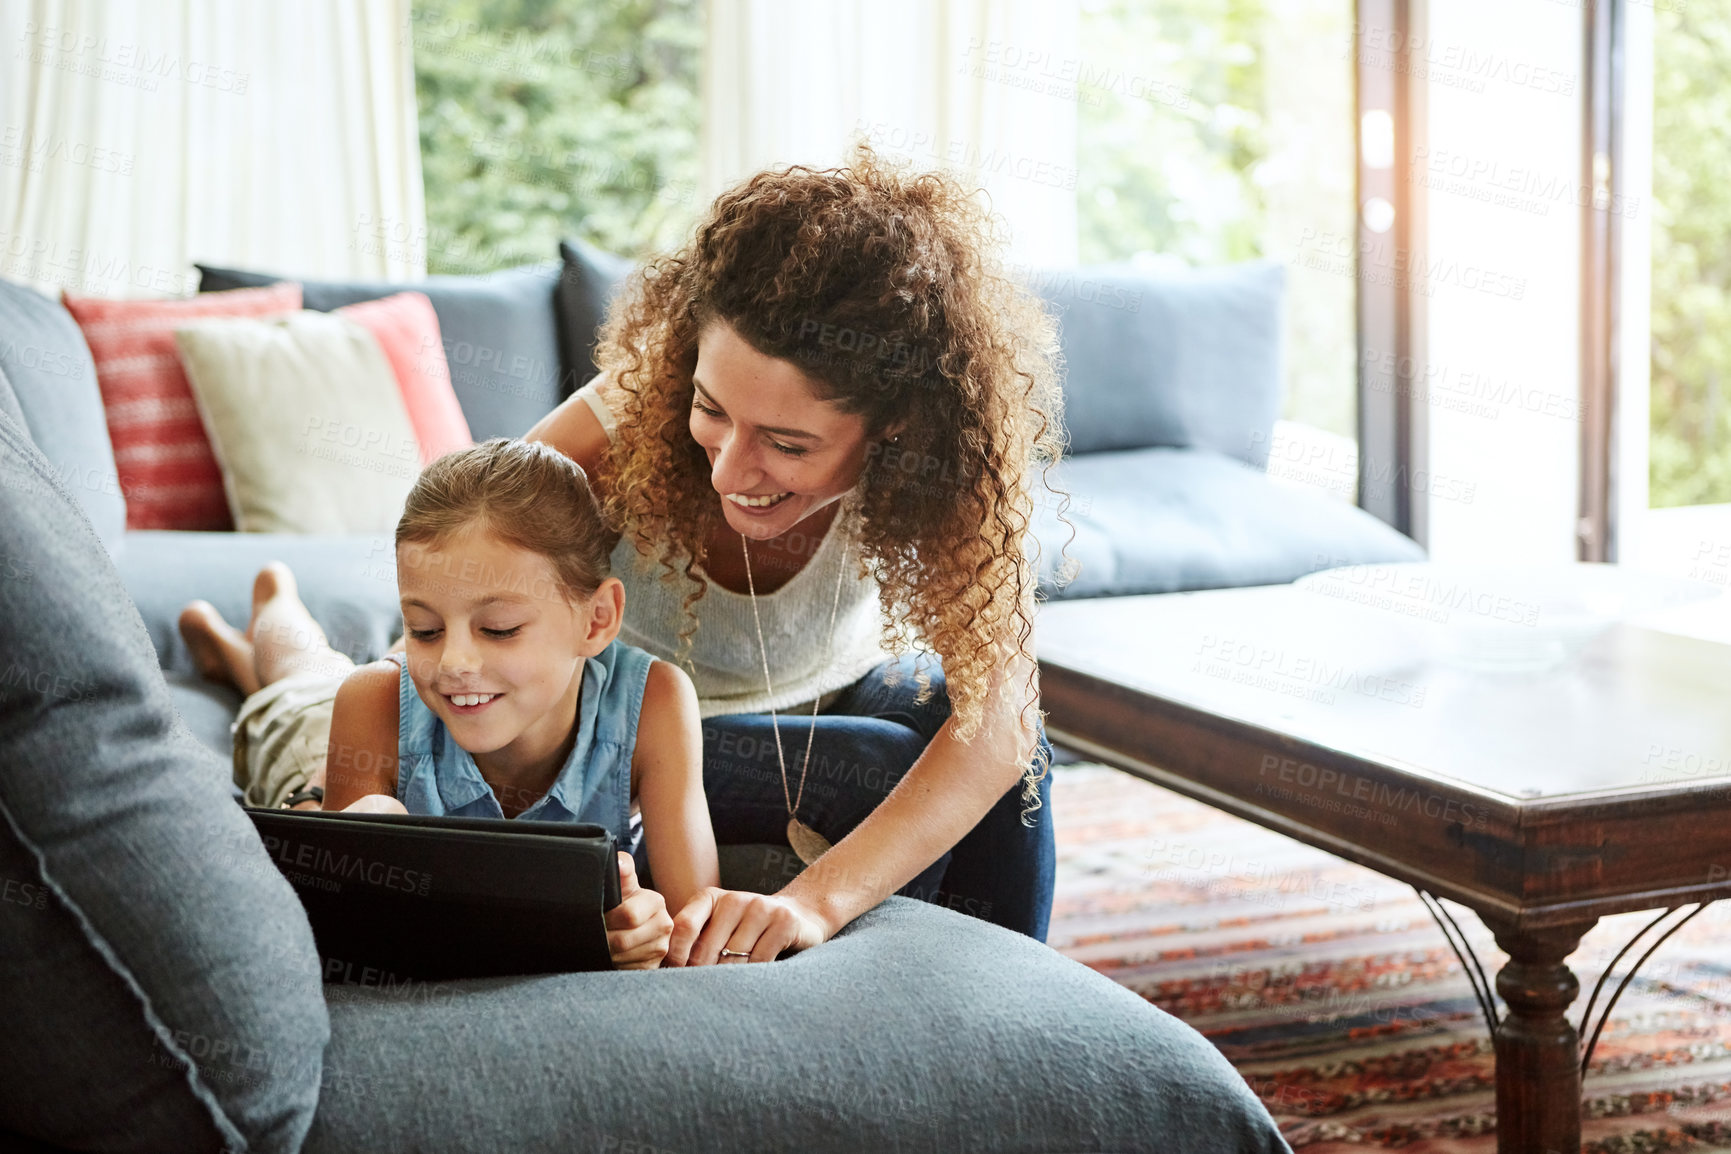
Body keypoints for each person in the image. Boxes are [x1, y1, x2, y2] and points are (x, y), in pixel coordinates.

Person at [521, 143, 1068, 967]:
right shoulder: (629, 411)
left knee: (979, 732)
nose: (730, 470)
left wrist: (817, 902)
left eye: (786, 443)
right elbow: (457, 561)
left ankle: (1002, 998)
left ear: (895, 426)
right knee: (882, 763)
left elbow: (1001, 718)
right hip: (636, 738)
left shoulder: (946, 459)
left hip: (824, 698)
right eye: (710, 410)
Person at [178, 438, 711, 970]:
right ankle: (273, 603)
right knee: (299, 682)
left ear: (596, 619)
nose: (454, 662)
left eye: (498, 629)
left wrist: (646, 931)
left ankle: (233, 650)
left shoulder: (655, 704)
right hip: (315, 745)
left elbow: (697, 916)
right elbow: (349, 920)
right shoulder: (371, 702)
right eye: (425, 630)